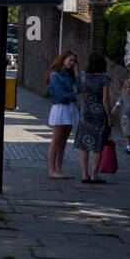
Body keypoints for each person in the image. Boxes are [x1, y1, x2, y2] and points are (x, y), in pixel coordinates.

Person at [75, 53, 112, 184]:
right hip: (99, 115)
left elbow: (77, 77)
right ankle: (94, 175)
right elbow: (105, 100)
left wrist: (76, 64)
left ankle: (84, 175)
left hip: (85, 115)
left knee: (84, 145)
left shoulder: (84, 76)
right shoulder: (105, 78)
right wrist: (109, 117)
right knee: (97, 146)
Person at [46, 50, 80, 180]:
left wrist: (77, 73)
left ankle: (59, 169)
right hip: (60, 109)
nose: (72, 63)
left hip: (70, 108)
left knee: (63, 142)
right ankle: (52, 170)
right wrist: (73, 93)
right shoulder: (55, 75)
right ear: (63, 59)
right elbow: (62, 96)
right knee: (56, 141)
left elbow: (80, 88)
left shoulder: (69, 75)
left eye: (74, 61)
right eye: (70, 60)